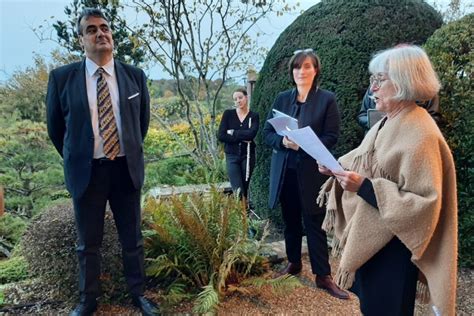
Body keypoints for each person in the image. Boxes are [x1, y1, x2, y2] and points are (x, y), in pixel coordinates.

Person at [318, 45, 457, 315]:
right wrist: (336, 168)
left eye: (379, 80)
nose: (372, 90)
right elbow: (365, 160)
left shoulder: (421, 132)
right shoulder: (388, 122)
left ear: (404, 81)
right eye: (373, 80)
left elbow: (426, 204)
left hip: (394, 253)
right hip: (375, 244)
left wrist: (365, 187)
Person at [46, 8, 158, 316]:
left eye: (105, 27)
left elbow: (141, 124)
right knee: (87, 243)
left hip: (125, 168)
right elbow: (57, 130)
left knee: (132, 238)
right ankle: (88, 300)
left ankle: (138, 295)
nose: (101, 33)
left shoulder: (134, 76)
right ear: (81, 39)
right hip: (88, 172)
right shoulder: (62, 78)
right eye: (92, 29)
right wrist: (79, 157)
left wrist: (127, 149)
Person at [263, 49, 349, 300]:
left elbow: (331, 137)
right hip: (285, 172)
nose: (302, 71)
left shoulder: (326, 100)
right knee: (290, 221)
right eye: (297, 67)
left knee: (314, 223)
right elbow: (268, 134)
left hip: (311, 172)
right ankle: (293, 263)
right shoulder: (281, 99)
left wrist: (304, 144)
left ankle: (323, 276)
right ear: (292, 72)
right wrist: (283, 143)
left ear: (316, 70)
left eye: (307, 67)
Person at [218, 88, 259, 207]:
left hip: (248, 156)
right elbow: (221, 135)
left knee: (245, 188)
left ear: (246, 97)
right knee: (238, 190)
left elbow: (251, 134)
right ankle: (242, 217)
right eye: (235, 99)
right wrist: (242, 135)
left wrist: (233, 132)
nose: (238, 101)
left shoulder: (253, 116)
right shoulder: (228, 114)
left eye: (240, 97)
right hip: (232, 156)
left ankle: (245, 219)